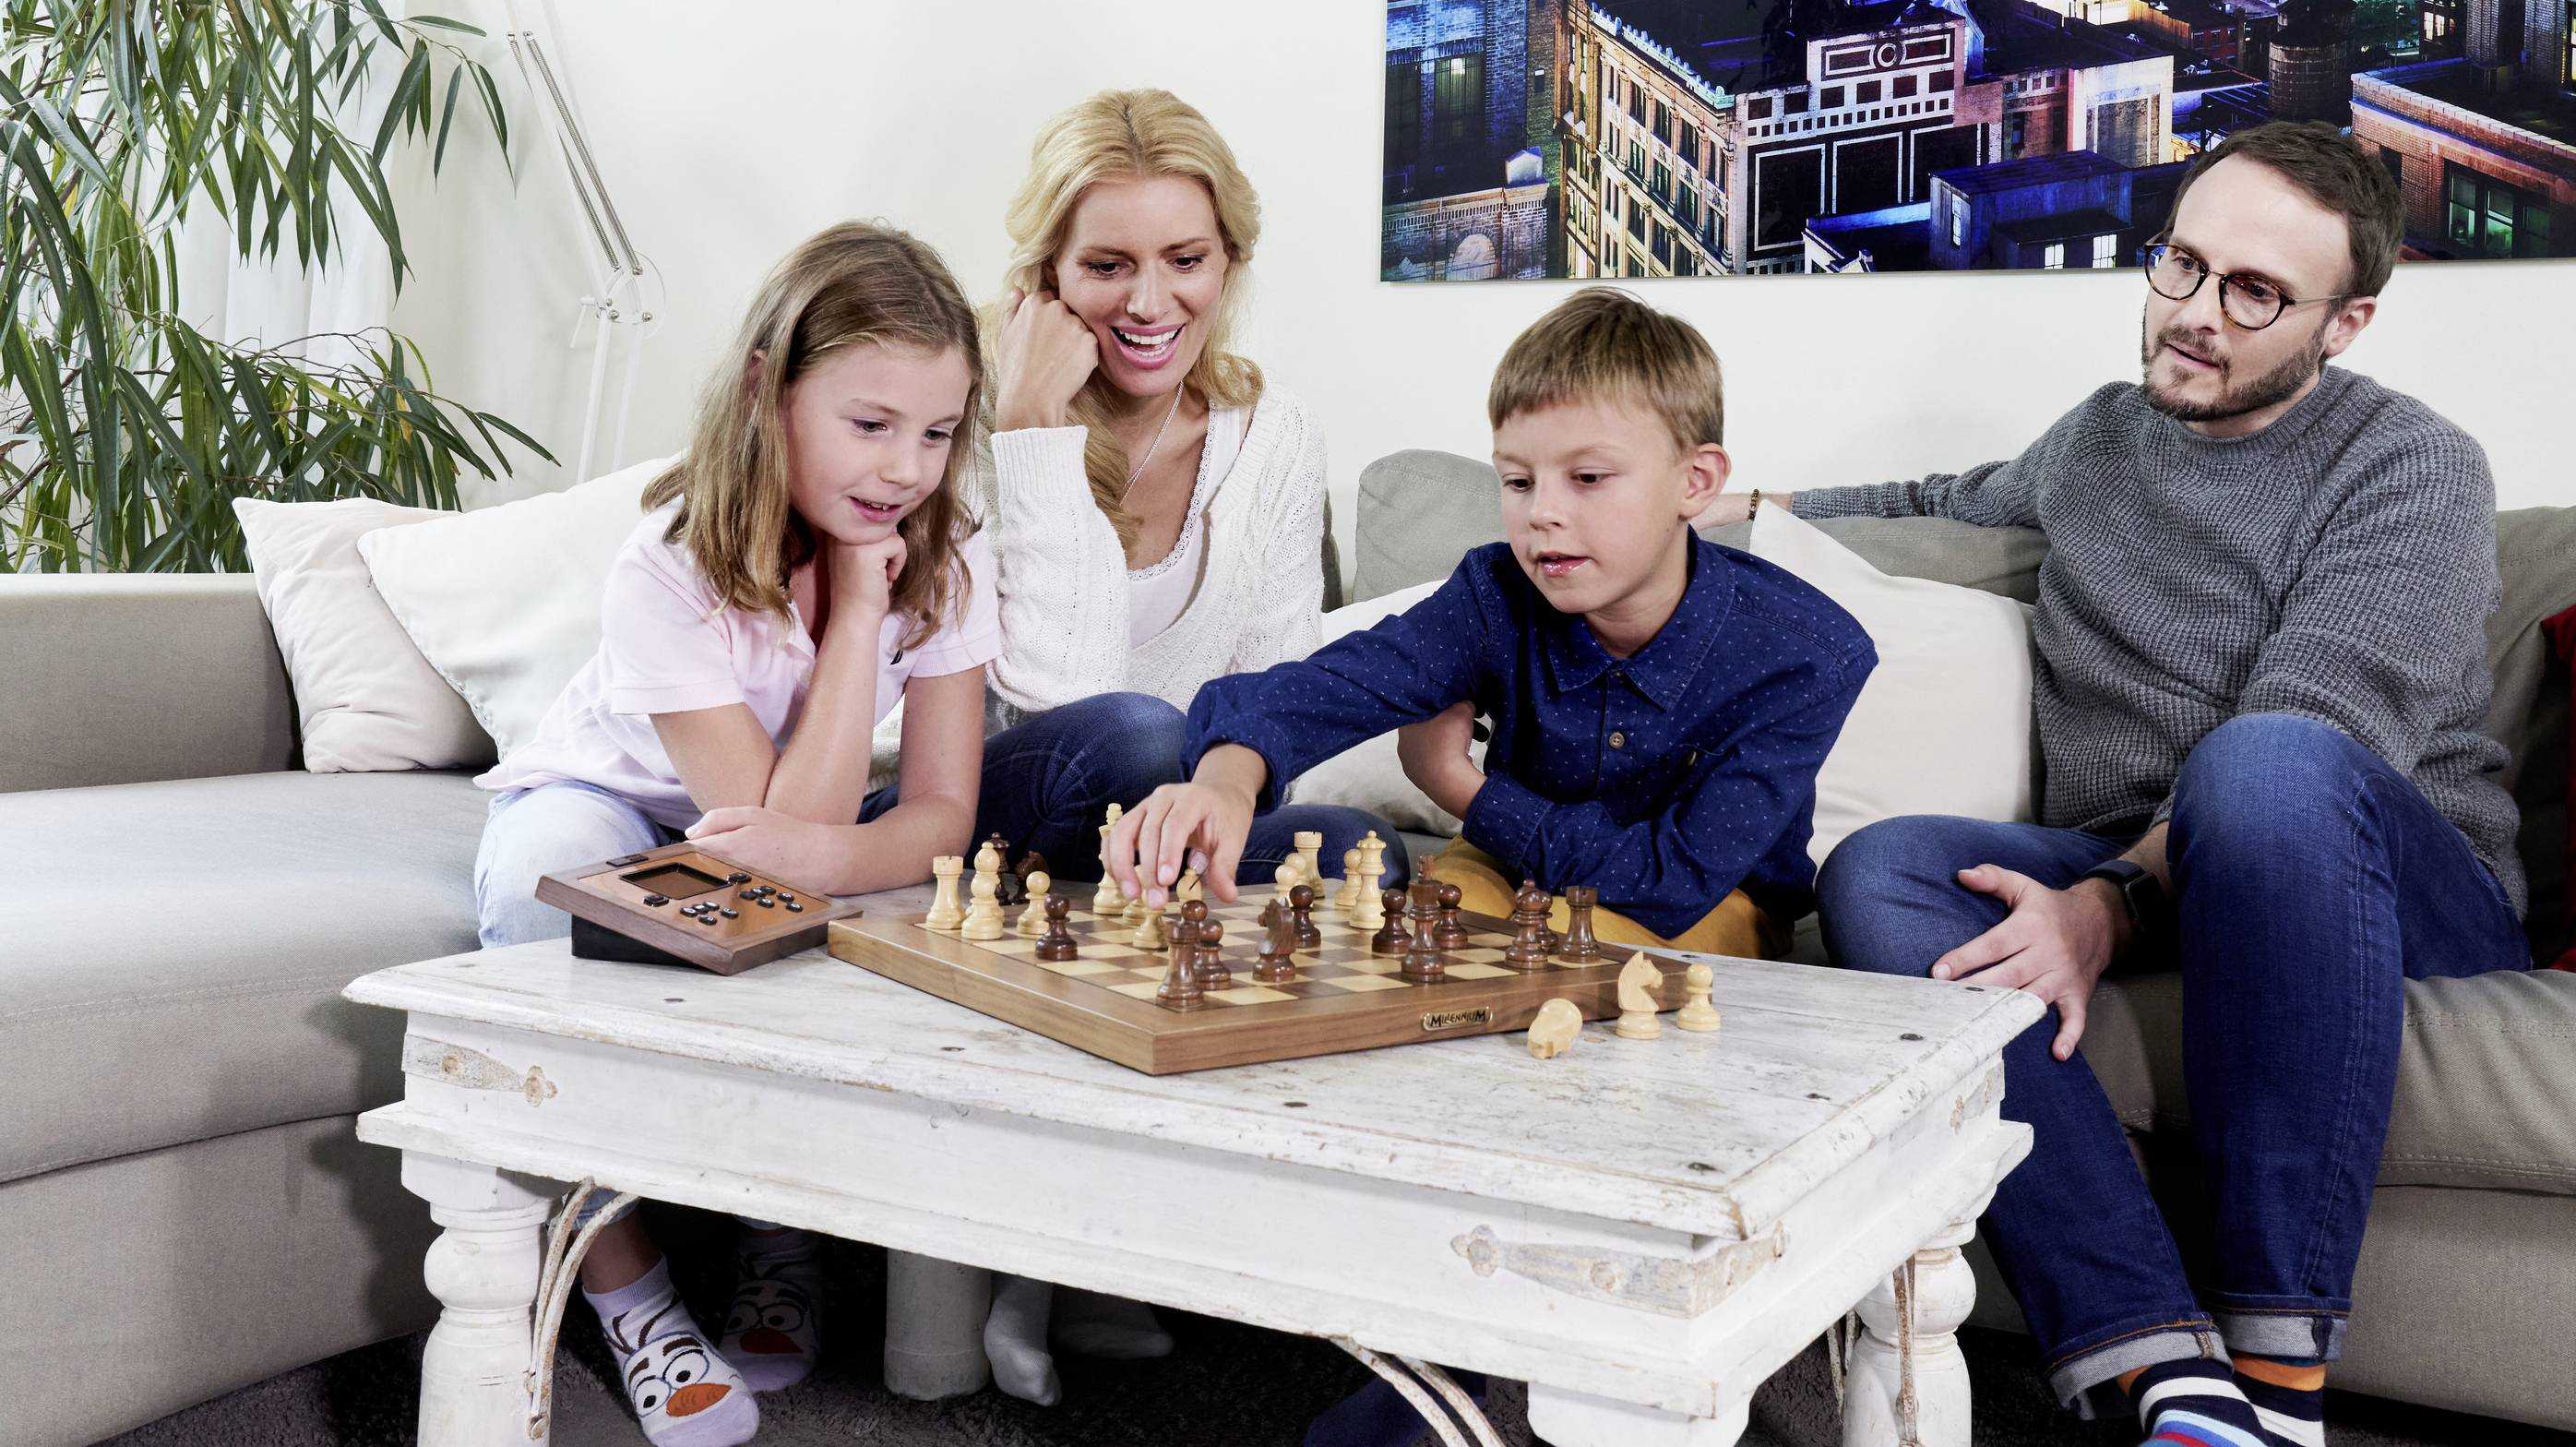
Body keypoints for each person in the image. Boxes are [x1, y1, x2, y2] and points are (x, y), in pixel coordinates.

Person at [1757, 123, 2526, 1447]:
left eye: (2254, 294)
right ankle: (2158, 1372)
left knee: (2264, 764)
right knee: (1881, 871)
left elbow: (2316, 730)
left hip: (2380, 893)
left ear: (2347, 324)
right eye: (2182, 264)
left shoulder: (2414, 467)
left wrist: (2106, 903)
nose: (2194, 317)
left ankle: (2280, 1392)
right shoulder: (2101, 439)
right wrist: (1710, 506)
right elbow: (1942, 494)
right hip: (2156, 864)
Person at [1103, 287, 1874, 1446]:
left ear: (1696, 484)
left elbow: (1669, 878)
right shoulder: (1492, 591)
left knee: (1597, 1007)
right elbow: (1322, 684)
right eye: (1517, 480)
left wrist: (1466, 790)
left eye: (1588, 478)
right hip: (1499, 876)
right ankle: (1417, 1322)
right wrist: (1229, 774)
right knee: (1394, 988)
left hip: (1695, 911)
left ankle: (1497, 1373)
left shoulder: (1809, 649)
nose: (1543, 519)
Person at [474, 224, 998, 1447]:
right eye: (870, 424)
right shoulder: (669, 560)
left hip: (782, 814)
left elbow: (939, 817)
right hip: (611, 799)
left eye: (937, 432)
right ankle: (633, 1295)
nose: (908, 469)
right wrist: (862, 610)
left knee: (831, 925)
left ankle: (778, 1235)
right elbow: (773, 831)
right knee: (524, 913)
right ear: (769, 387)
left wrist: (829, 862)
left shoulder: (950, 551)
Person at [961, 87, 1410, 1401]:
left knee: (1352, 842)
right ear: (1046, 278)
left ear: (1230, 266)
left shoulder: (1273, 441)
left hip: (1163, 817)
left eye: (1185, 260)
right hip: (1011, 802)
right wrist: (1033, 437)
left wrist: (1203, 804)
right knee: (1140, 728)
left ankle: (1212, 1256)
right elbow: (1056, 691)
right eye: (1105, 265)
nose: (1148, 300)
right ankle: (1034, 1261)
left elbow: (1270, 700)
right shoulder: (976, 426)